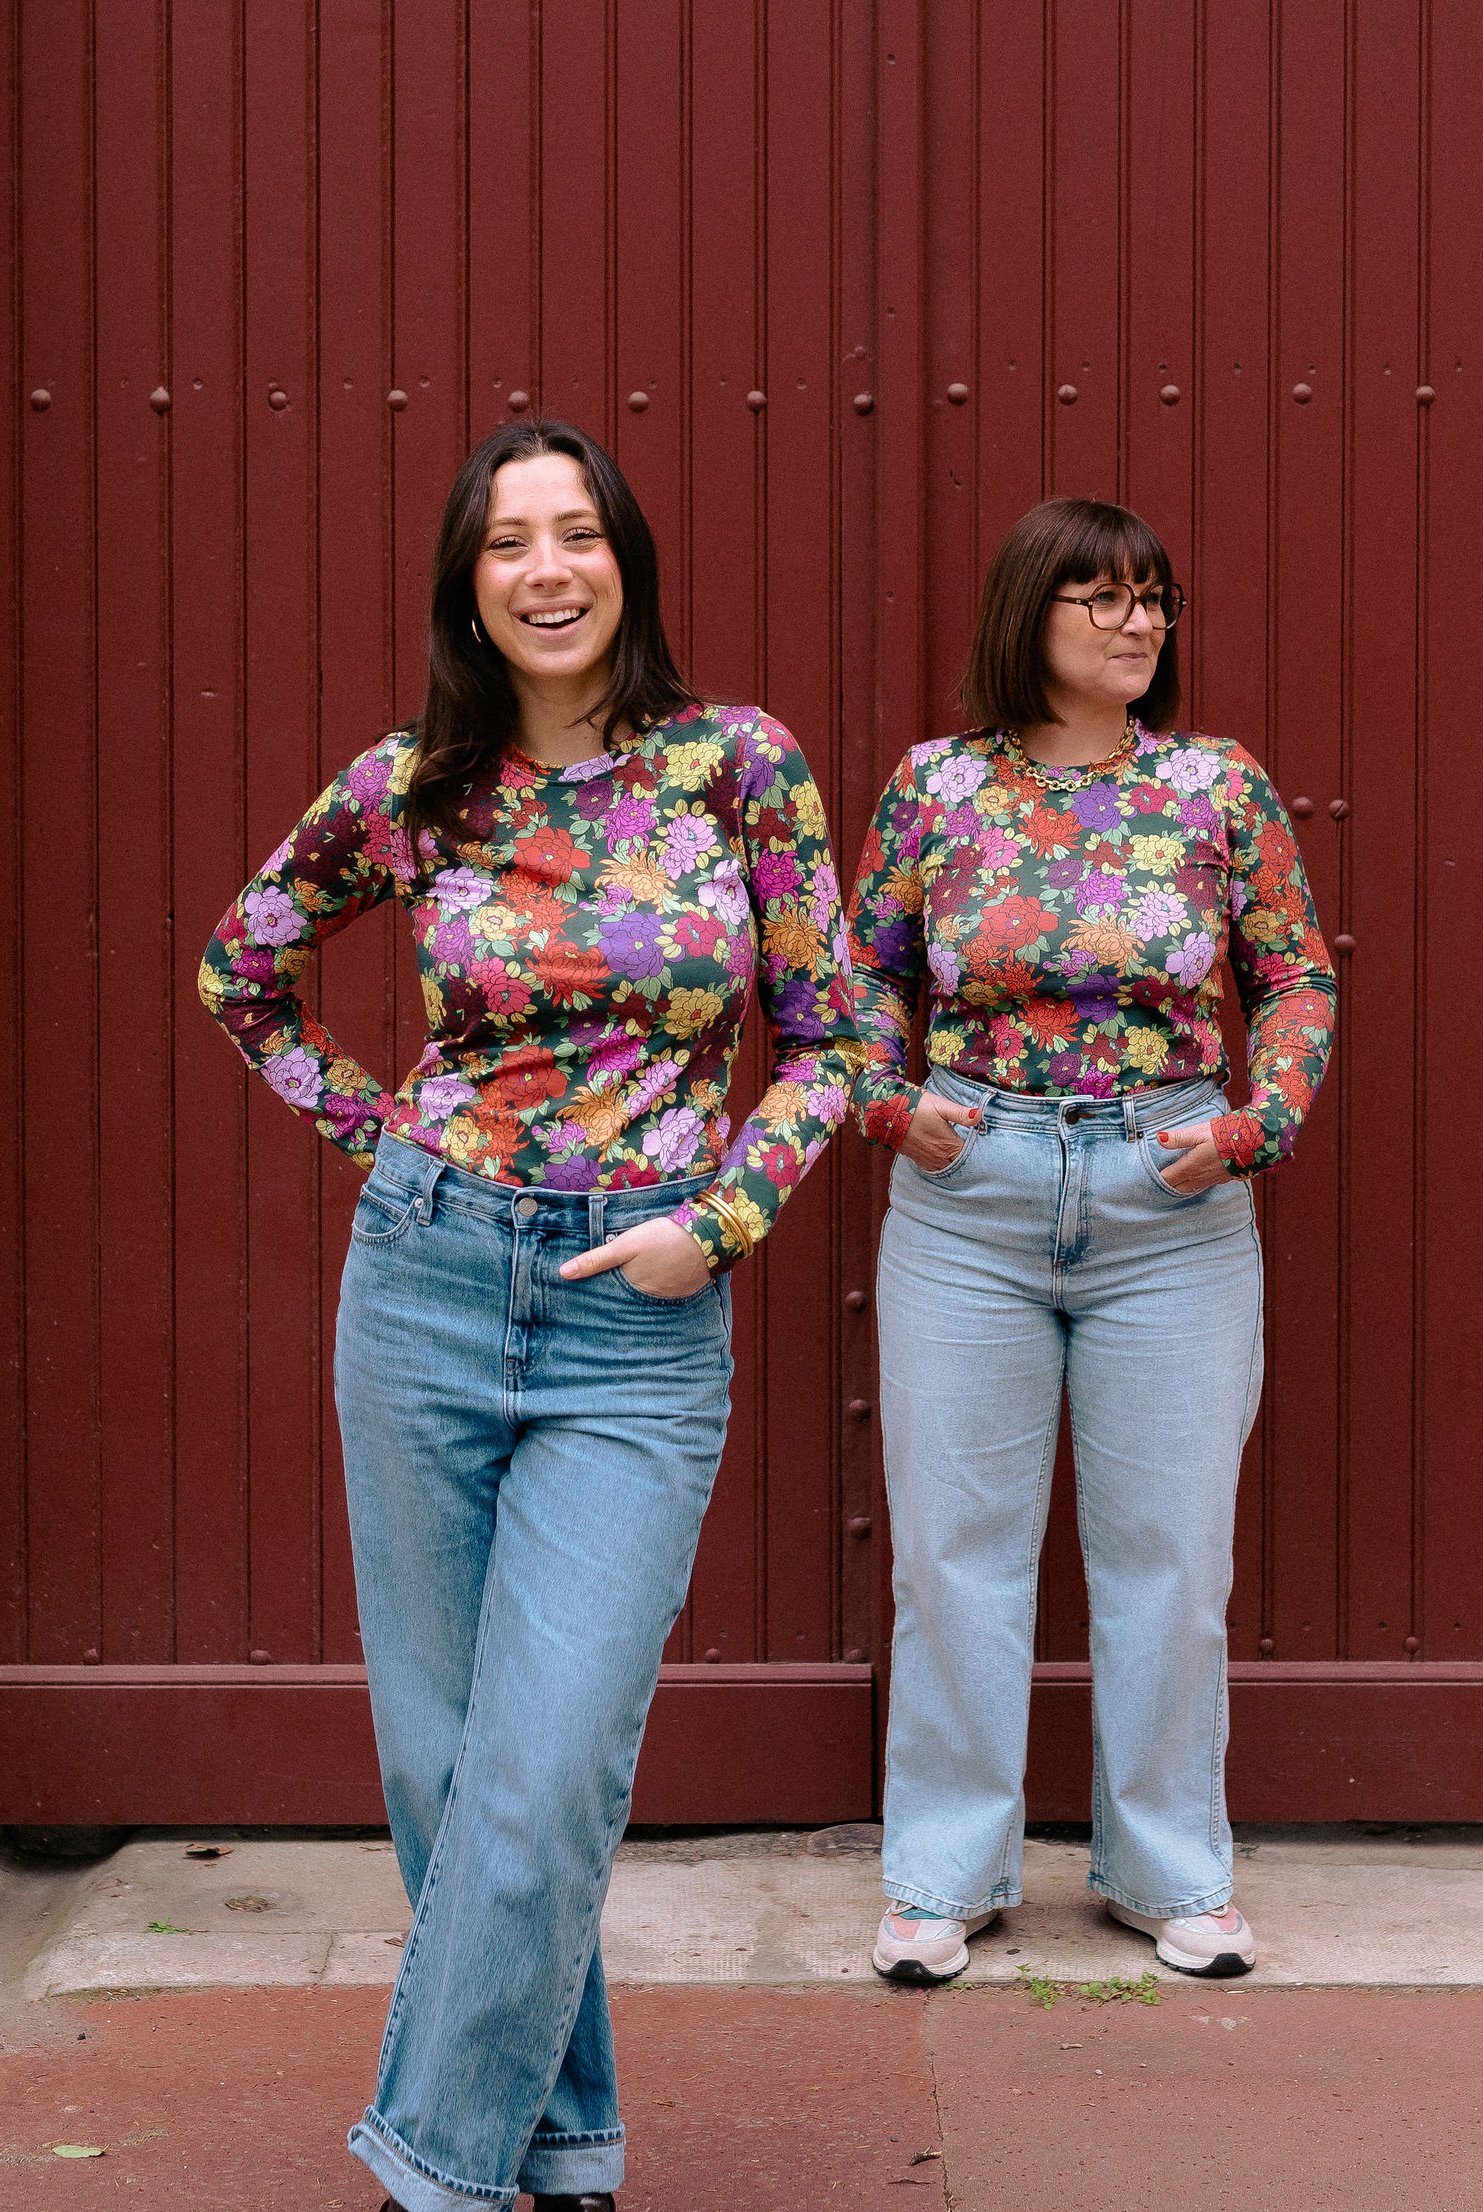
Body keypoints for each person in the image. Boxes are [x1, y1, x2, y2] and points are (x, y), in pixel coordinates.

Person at [199, 417, 860, 2212]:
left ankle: (435, 2172)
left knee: (549, 1762)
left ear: (626, 561)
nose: (547, 570)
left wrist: (719, 1221)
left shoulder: (737, 766)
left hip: (637, 1306)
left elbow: (837, 1035)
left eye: (578, 534)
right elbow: (242, 970)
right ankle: (563, 2152)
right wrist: (386, 1140)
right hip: (426, 1280)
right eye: (509, 543)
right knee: (444, 1763)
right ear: (467, 584)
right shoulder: (410, 786)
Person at [846, 496, 1337, 1988]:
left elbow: (1296, 979)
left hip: (1171, 1200)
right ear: (1029, 615)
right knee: (952, 1556)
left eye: (1153, 600)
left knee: (1170, 1558)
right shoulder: (935, 787)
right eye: (1103, 598)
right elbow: (853, 983)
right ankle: (942, 1879)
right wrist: (890, 1105)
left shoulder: (1216, 786)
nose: (1138, 624)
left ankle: (1169, 1874)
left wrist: (1256, 1125)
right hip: (970, 1199)